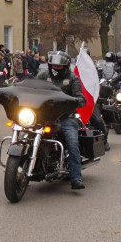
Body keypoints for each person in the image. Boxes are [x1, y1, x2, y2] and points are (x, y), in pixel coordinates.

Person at [34, 51, 86, 189]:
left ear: (66, 66)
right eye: (54, 65)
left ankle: (76, 178)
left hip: (64, 118)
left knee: (73, 143)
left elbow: (81, 98)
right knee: (24, 133)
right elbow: (31, 88)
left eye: (59, 66)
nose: (56, 68)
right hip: (42, 117)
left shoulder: (73, 78)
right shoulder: (43, 75)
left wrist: (74, 101)